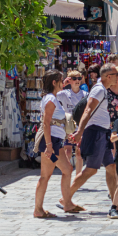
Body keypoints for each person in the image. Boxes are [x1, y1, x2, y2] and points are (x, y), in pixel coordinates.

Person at [64, 62, 118, 216]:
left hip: (102, 133)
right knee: (91, 169)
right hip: (96, 133)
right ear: (108, 76)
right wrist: (79, 132)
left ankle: (115, 202)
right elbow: (88, 110)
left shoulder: (102, 89)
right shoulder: (99, 90)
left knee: (111, 168)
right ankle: (65, 198)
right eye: (116, 75)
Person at [32, 70, 72, 218]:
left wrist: (65, 82)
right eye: (61, 81)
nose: (64, 83)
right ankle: (38, 209)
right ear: (55, 83)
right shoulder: (50, 100)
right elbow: (46, 123)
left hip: (55, 142)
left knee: (66, 169)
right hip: (51, 143)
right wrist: (49, 146)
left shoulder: (52, 97)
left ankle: (67, 203)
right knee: (46, 175)